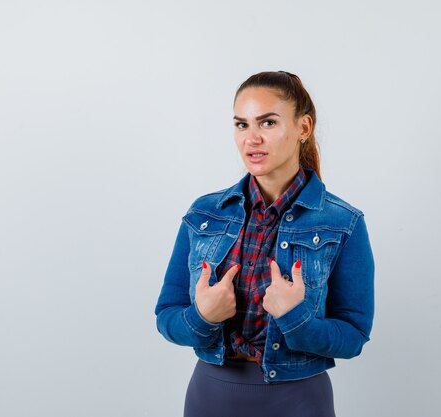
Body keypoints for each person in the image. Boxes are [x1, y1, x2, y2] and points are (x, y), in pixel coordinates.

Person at [154, 71, 375, 417]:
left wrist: (296, 319)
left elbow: (354, 336)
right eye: (241, 125)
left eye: (267, 123)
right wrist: (202, 317)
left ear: (303, 128)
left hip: (299, 401)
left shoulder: (342, 223)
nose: (251, 138)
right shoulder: (204, 214)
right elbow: (166, 316)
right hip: (212, 396)